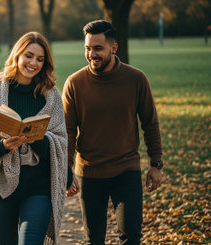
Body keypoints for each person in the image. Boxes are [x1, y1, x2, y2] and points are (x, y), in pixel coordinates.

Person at [0, 31, 74, 245]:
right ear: (17, 55)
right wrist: (2, 145)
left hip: (38, 185)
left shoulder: (51, 95)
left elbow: (60, 139)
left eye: (40, 59)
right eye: (29, 55)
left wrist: (37, 138)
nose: (33, 63)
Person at [62, 20, 163, 244]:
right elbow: (68, 131)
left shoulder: (136, 79)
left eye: (98, 48)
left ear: (113, 48)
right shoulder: (74, 83)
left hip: (126, 170)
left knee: (131, 237)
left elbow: (150, 123)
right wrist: (66, 169)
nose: (91, 54)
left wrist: (156, 164)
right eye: (87, 48)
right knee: (93, 239)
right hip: (89, 173)